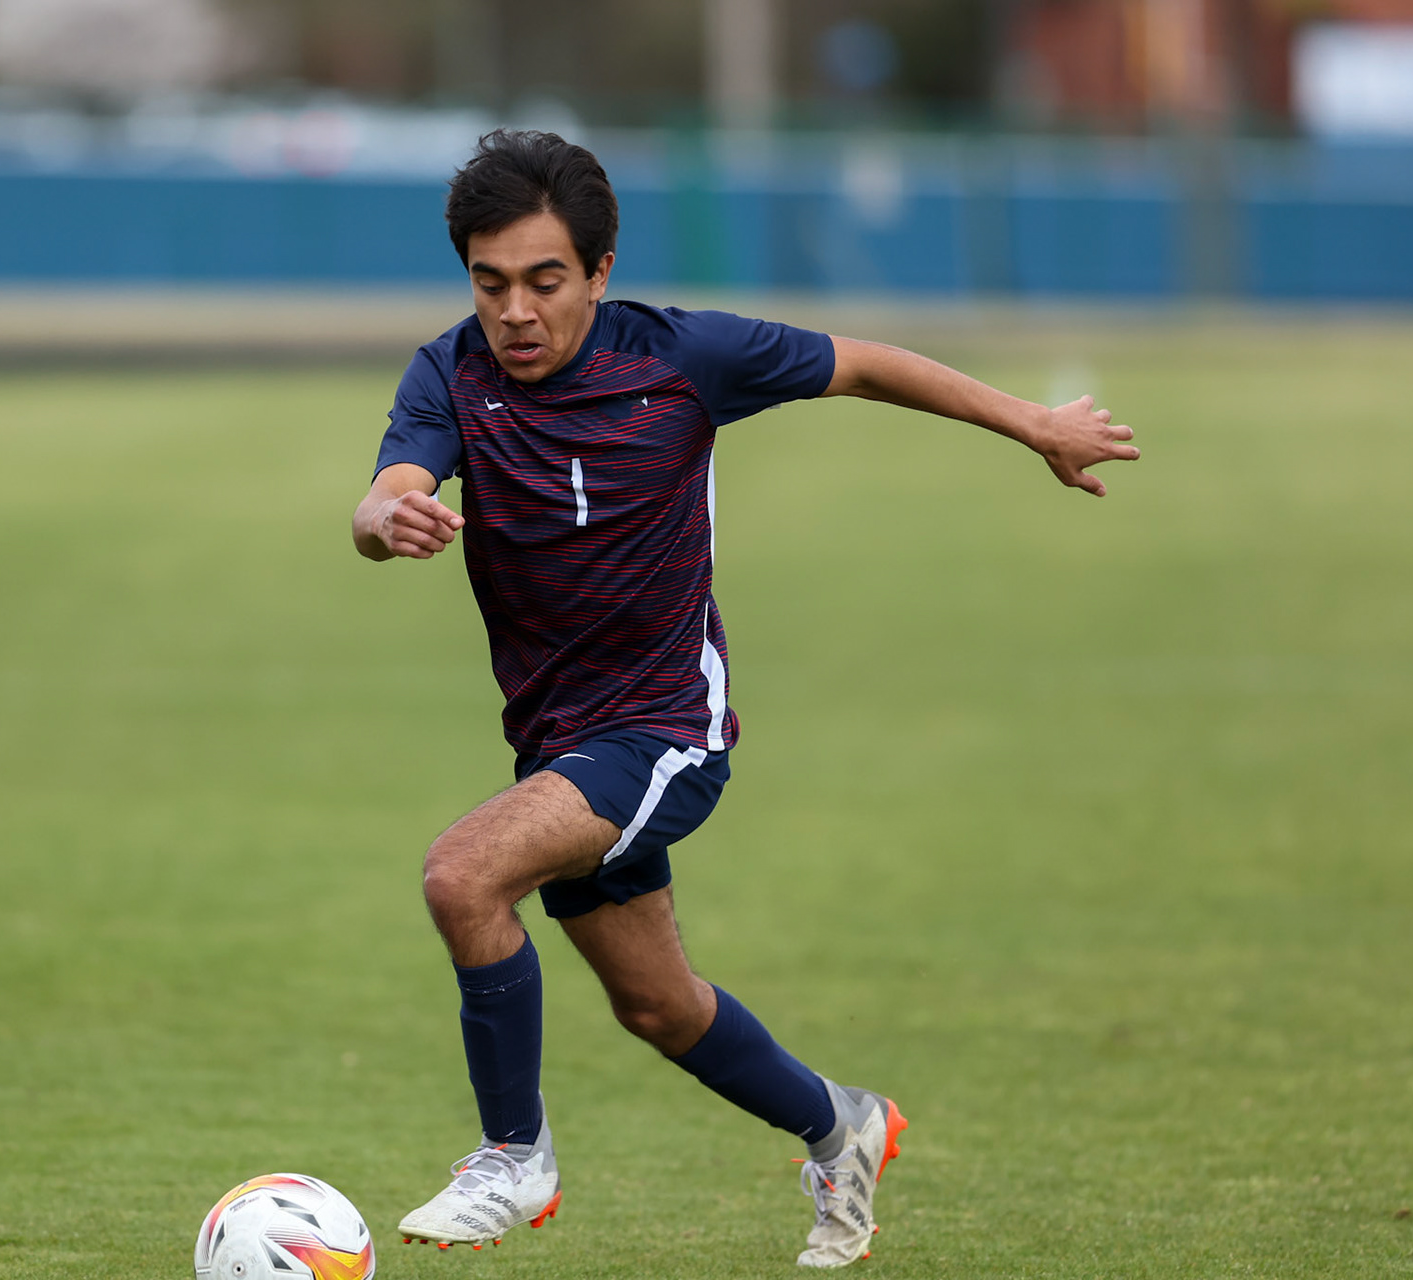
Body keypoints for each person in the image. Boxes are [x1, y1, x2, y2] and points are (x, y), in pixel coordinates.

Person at [350, 129, 1138, 1268]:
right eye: (490, 281)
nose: (514, 310)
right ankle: (844, 1123)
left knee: (462, 873)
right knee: (661, 1008)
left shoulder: (683, 357)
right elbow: (390, 488)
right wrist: (387, 519)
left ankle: (513, 1157)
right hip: (560, 744)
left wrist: (1036, 424)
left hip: (666, 729)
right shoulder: (451, 373)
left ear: (602, 269)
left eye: (544, 279)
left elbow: (863, 362)